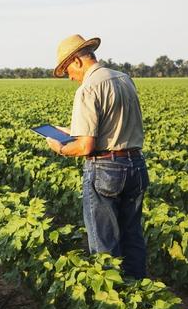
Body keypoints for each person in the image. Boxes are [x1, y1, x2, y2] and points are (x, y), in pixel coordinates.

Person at [45, 34, 149, 279]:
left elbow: (85, 147)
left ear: (77, 61)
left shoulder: (88, 88)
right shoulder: (124, 79)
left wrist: (59, 147)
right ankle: (139, 291)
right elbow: (112, 127)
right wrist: (71, 132)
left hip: (106, 169)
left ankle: (114, 302)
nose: (70, 77)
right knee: (132, 234)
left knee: (104, 241)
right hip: (136, 164)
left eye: (67, 69)